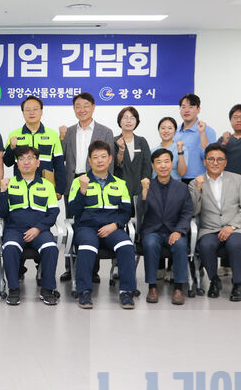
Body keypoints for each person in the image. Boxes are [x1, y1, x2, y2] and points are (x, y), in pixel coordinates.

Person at [68, 140, 136, 310]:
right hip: (86, 227)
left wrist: (115, 225)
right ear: (89, 160)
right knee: (87, 247)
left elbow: (126, 211)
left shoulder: (120, 183)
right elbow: (73, 210)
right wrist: (83, 190)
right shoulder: (79, 182)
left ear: (110, 159)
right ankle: (84, 291)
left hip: (112, 227)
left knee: (127, 246)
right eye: (95, 157)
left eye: (103, 156)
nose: (100, 160)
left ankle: (126, 291)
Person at [59, 92, 114, 283]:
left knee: (94, 224)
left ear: (93, 107)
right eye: (78, 106)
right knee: (72, 225)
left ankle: (92, 270)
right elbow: (61, 158)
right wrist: (61, 138)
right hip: (73, 182)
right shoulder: (68, 132)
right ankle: (70, 268)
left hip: (96, 182)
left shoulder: (105, 132)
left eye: (85, 105)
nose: (81, 110)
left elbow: (109, 163)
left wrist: (105, 184)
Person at [0, 145, 60, 305]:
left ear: (38, 163)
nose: (26, 162)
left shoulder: (47, 185)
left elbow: (53, 213)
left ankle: (47, 290)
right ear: (17, 164)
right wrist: (2, 192)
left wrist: (38, 228)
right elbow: (1, 213)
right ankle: (13, 289)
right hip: (14, 230)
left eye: (30, 158)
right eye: (22, 159)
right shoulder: (9, 184)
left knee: (51, 248)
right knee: (9, 247)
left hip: (40, 230)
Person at [190, 144, 241, 301]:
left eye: (219, 159)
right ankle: (214, 280)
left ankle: (237, 284)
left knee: (235, 244)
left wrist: (232, 226)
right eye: (211, 159)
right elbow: (193, 211)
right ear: (205, 161)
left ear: (225, 162)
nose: (215, 163)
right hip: (210, 228)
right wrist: (198, 189)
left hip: (236, 227)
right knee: (206, 245)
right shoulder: (195, 183)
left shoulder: (237, 179)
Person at [139, 149, 193, 305]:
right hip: (152, 230)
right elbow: (140, 213)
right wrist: (144, 192)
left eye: (166, 161)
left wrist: (179, 231)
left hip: (174, 230)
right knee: (150, 244)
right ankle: (152, 287)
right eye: (159, 162)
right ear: (153, 166)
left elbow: (187, 212)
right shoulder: (147, 185)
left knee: (181, 244)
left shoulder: (181, 187)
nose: (163, 166)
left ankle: (178, 288)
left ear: (172, 163)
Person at [3, 95, 66, 196]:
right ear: (23, 113)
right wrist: (12, 148)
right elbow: (7, 162)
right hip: (21, 188)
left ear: (41, 111)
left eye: (35, 109)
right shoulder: (14, 135)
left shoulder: (52, 135)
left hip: (46, 187)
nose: (31, 112)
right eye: (27, 110)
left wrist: (59, 190)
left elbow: (59, 164)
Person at [113, 106, 151, 210]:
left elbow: (147, 166)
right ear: (120, 121)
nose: (129, 121)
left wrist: (145, 187)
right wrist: (121, 150)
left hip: (139, 189)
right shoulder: (114, 141)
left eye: (132, 118)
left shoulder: (142, 141)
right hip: (120, 189)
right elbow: (115, 165)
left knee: (139, 217)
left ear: (137, 121)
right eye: (125, 117)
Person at [175, 94, 216, 182]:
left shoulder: (207, 131)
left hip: (199, 180)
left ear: (198, 109)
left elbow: (209, 157)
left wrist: (202, 133)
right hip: (177, 179)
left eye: (191, 107)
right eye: (183, 107)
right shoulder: (174, 132)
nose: (186, 110)